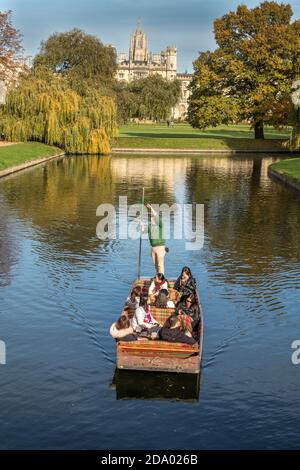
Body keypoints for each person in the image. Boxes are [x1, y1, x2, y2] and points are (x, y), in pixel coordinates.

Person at [146, 203, 166, 275]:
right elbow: (143, 230)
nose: (152, 219)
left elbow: (156, 215)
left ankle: (162, 279)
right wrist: (141, 224)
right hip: (153, 248)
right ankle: (158, 276)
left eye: (153, 218)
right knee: (156, 265)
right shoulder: (150, 227)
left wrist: (151, 208)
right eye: (151, 218)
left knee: (160, 265)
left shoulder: (160, 225)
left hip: (160, 247)